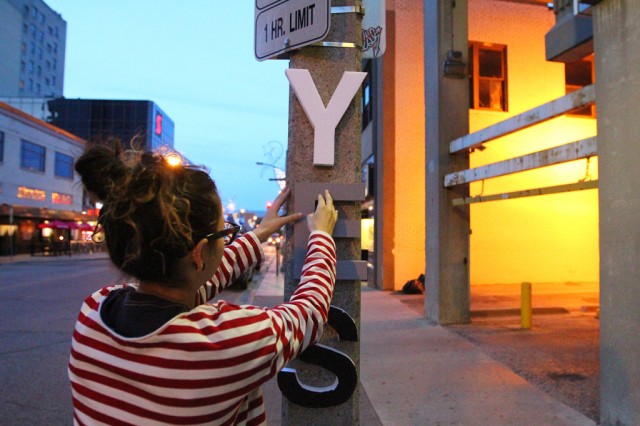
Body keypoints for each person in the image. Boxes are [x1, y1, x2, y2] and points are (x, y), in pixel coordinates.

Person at [68, 145, 338, 425]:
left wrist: (257, 236)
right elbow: (310, 312)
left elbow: (196, 280)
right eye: (225, 232)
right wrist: (321, 235)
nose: (227, 240)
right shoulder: (223, 343)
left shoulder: (92, 313)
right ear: (199, 253)